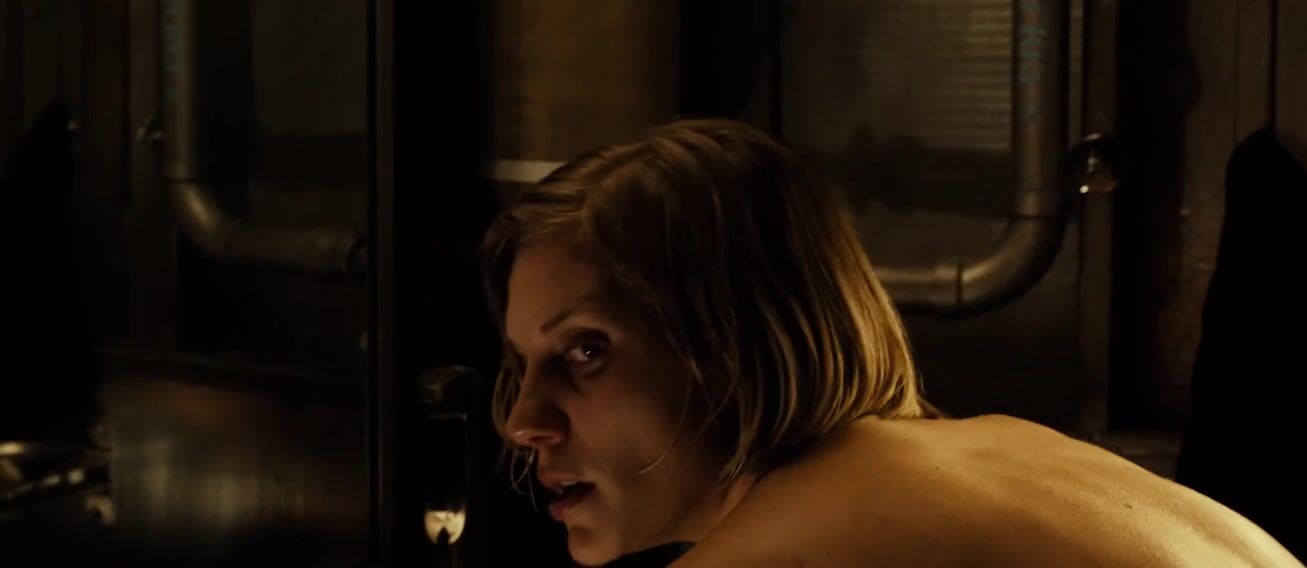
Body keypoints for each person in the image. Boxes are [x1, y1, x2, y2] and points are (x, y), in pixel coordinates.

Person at [478, 119, 1301, 567]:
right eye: (521, 365)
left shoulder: (788, 555)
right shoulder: (995, 453)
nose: (523, 421)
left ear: (731, 347)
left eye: (584, 351)